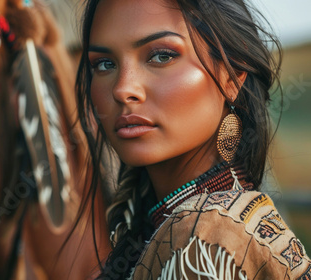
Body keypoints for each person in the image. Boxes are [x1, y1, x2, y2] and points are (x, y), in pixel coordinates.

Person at [75, 0, 311, 278]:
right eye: (104, 64)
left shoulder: (204, 242)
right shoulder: (199, 225)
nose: (123, 89)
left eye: (162, 56)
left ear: (232, 76)